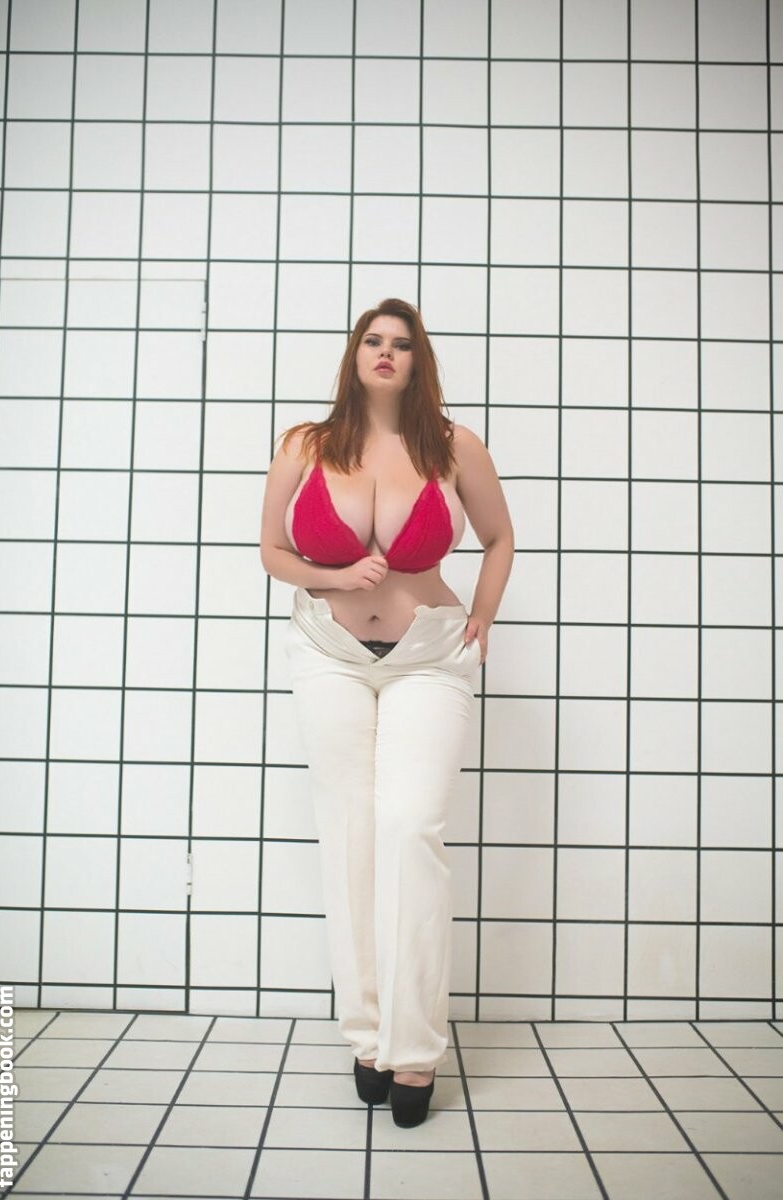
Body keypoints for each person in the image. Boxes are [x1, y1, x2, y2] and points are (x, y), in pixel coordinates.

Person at [260, 298, 514, 1127]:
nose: (385, 352)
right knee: (349, 837)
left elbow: (499, 537)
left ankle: (415, 1050)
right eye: (372, 340)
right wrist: (334, 579)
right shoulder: (304, 445)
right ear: (354, 353)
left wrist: (482, 615)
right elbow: (271, 550)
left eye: (401, 344)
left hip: (429, 656)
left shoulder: (452, 446)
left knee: (409, 831)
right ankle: (367, 1037)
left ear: (417, 361)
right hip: (327, 653)